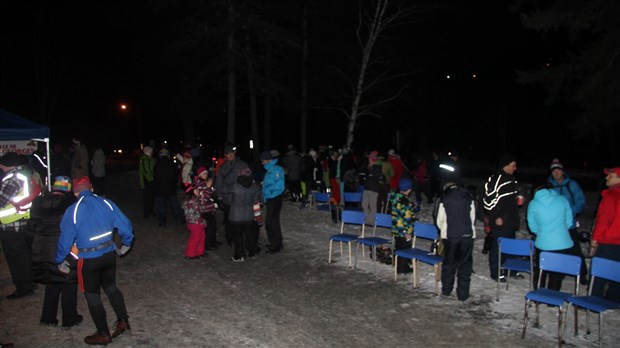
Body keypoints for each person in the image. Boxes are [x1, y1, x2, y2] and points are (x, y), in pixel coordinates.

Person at [56, 176, 133, 345]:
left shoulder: (73, 210)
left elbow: (65, 240)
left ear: (75, 193)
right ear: (91, 189)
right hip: (107, 255)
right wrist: (126, 243)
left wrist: (60, 260)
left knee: (92, 295)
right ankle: (123, 321)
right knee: (111, 287)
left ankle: (103, 333)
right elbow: (125, 224)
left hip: (88, 260)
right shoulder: (106, 203)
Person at [29, 176, 83, 328]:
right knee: (68, 281)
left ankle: (48, 317)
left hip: (41, 248)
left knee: (52, 281)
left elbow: (30, 227)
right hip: (62, 247)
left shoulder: (38, 203)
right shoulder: (70, 204)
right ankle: (69, 318)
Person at [0, 152, 41, 299]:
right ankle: (30, 283)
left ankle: (23, 288)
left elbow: (2, 201)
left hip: (12, 224)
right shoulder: (23, 174)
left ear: (6, 164)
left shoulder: (13, 179)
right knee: (24, 255)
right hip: (21, 220)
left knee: (16, 258)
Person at [482, 152, 523, 282]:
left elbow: (507, 199)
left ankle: (510, 270)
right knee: (498, 248)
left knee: (510, 246)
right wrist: (495, 216)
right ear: (505, 165)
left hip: (510, 220)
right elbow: (487, 202)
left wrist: (517, 200)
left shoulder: (511, 179)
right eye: (513, 165)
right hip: (500, 221)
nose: (515, 168)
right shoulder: (497, 180)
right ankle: (496, 272)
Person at [547, 158, 588, 283]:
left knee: (575, 249)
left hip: (569, 224)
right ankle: (558, 273)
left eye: (558, 170)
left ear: (563, 171)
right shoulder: (548, 186)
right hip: (554, 225)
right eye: (554, 171)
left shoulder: (572, 184)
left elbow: (580, 201)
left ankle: (582, 274)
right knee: (556, 250)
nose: (556, 173)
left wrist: (569, 212)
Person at [527, 183, 575, 290]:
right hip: (563, 242)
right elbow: (569, 221)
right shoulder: (562, 199)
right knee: (557, 271)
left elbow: (532, 225)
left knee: (541, 269)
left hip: (543, 242)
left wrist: (540, 233)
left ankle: (539, 293)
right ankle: (552, 297)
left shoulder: (534, 203)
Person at [436, 182, 476, 301]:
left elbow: (440, 220)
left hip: (450, 236)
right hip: (467, 236)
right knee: (465, 264)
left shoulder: (445, 199)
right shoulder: (469, 198)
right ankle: (463, 294)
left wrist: (443, 230)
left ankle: (447, 290)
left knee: (449, 263)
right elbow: (472, 218)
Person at [590, 167, 620, 302]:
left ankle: (594, 299)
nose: (607, 178)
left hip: (609, 241)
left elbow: (603, 220)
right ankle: (613, 299)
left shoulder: (611, 196)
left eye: (611, 175)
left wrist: (595, 239)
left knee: (599, 274)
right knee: (616, 273)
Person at [214, 145, 249, 245]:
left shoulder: (242, 164)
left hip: (241, 198)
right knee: (229, 220)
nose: (230, 155)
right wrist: (219, 196)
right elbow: (219, 182)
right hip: (228, 198)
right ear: (225, 155)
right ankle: (230, 238)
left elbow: (248, 179)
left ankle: (242, 238)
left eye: (232, 153)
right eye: (228, 154)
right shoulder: (222, 167)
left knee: (242, 219)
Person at [228, 167, 262, 261]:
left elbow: (227, 195)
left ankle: (239, 255)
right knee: (250, 235)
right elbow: (256, 201)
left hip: (236, 216)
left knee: (238, 236)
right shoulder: (254, 186)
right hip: (249, 215)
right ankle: (252, 252)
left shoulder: (235, 185)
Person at [181, 178, 217, 260]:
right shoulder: (191, 202)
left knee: (202, 236)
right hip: (194, 223)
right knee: (195, 238)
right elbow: (202, 208)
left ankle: (199, 252)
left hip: (199, 222)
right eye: (197, 191)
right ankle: (190, 254)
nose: (199, 192)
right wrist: (212, 206)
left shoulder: (195, 200)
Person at [260, 151, 285, 254]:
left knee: (271, 222)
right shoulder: (270, 169)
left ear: (268, 160)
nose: (262, 163)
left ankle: (275, 245)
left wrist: (268, 189)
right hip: (271, 199)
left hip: (274, 199)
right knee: (273, 221)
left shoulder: (275, 169)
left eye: (263, 161)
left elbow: (280, 186)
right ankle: (276, 243)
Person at [153, 149, 184, 227]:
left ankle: (162, 221)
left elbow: (155, 176)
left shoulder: (157, 164)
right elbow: (175, 175)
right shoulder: (171, 163)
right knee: (174, 204)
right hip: (170, 188)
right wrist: (173, 183)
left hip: (160, 189)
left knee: (161, 205)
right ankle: (179, 219)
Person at [390, 177, 414, 274]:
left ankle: (399, 266)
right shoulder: (405, 202)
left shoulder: (396, 197)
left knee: (399, 247)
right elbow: (407, 218)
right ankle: (403, 268)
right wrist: (407, 232)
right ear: (409, 189)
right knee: (405, 248)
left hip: (396, 229)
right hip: (403, 230)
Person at [361, 151, 382, 225]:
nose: (369, 160)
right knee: (364, 205)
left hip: (373, 189)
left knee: (372, 206)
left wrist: (369, 178)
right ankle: (367, 220)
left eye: (370, 159)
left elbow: (377, 178)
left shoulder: (376, 167)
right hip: (367, 188)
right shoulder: (369, 167)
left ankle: (372, 221)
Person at [138, 146, 156, 218]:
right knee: (148, 198)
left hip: (149, 181)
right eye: (151, 152)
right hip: (148, 181)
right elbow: (145, 172)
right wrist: (151, 179)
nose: (152, 153)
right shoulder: (144, 160)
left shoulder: (150, 159)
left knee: (151, 198)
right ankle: (147, 213)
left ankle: (149, 212)